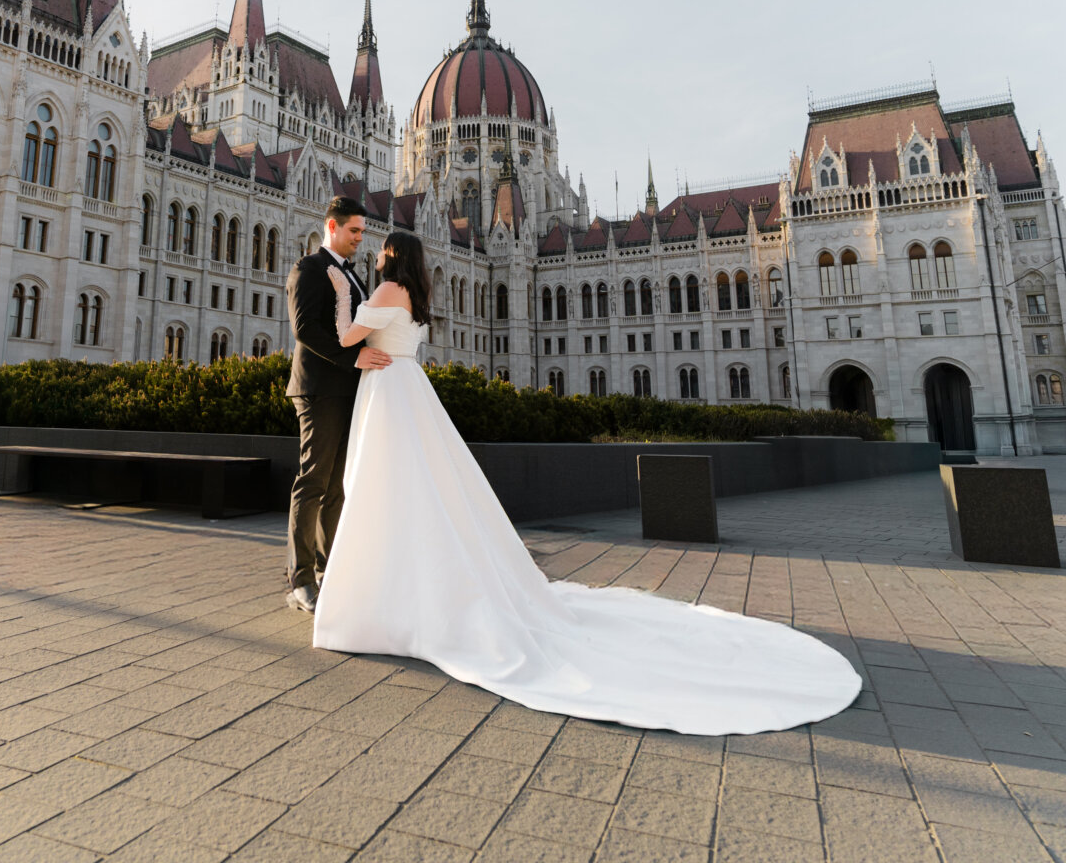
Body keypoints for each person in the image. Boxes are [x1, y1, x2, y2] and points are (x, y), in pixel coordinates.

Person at [312, 230, 863, 736]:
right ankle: (411, 591)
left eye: (380, 246)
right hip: (407, 392)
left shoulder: (383, 289)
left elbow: (343, 336)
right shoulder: (414, 295)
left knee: (386, 493)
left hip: (388, 394)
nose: (374, 251)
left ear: (390, 257)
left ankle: (387, 595)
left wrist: (340, 289)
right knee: (422, 494)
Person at [282, 197, 392, 615]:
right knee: (313, 481)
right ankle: (300, 579)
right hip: (319, 390)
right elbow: (305, 328)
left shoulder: (355, 276)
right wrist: (354, 358)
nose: (360, 240)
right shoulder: (308, 268)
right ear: (333, 226)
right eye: (354, 232)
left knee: (337, 487)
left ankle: (331, 570)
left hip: (350, 391)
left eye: (363, 233)